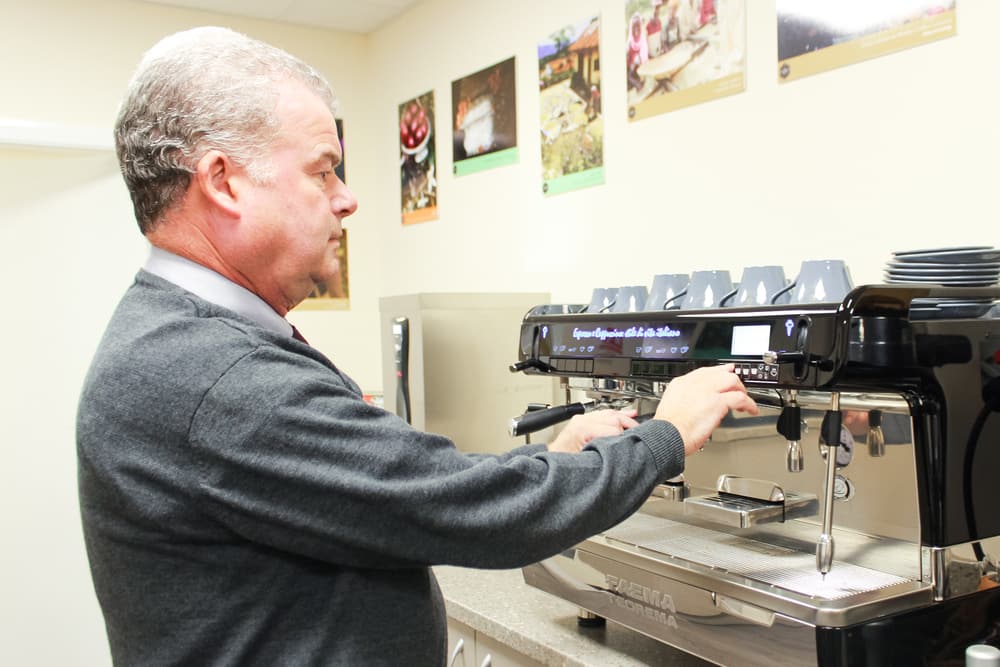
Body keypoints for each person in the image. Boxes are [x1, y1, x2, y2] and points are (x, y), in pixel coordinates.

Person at [77, 26, 758, 666]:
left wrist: (554, 458)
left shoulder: (175, 335)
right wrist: (664, 432)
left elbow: (393, 489)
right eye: (322, 171)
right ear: (223, 182)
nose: (346, 200)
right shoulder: (213, 373)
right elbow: (465, 509)